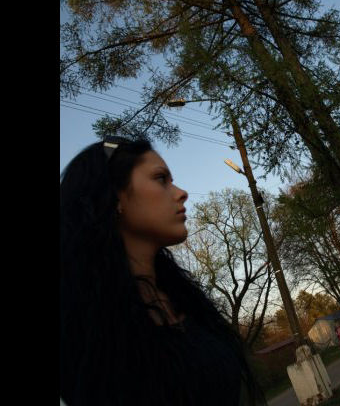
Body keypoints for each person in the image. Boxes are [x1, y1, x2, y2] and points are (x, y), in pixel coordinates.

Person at [60, 136, 265, 406]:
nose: (181, 193)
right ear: (114, 195)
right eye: (161, 179)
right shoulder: (81, 325)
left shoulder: (184, 299)